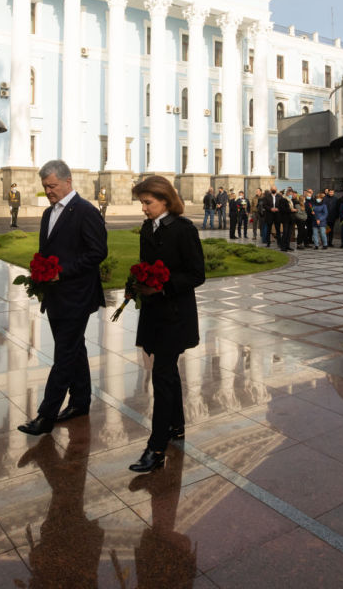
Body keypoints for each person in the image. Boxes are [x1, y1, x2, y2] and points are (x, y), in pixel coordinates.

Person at [18, 160, 108, 435]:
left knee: (65, 354)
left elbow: (97, 252)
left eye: (53, 185)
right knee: (74, 349)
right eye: (45, 186)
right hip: (55, 296)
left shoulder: (85, 211)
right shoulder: (48, 214)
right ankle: (80, 402)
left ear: (68, 182)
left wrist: (63, 273)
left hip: (77, 296)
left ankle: (46, 416)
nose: (48, 191)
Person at [128, 175, 205, 472]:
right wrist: (135, 284)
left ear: (165, 200)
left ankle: (156, 447)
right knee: (167, 371)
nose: (144, 209)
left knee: (161, 376)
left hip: (175, 315)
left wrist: (162, 285)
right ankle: (177, 426)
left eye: (148, 203)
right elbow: (144, 266)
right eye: (142, 203)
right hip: (153, 313)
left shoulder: (184, 229)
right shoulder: (149, 227)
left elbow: (197, 274)